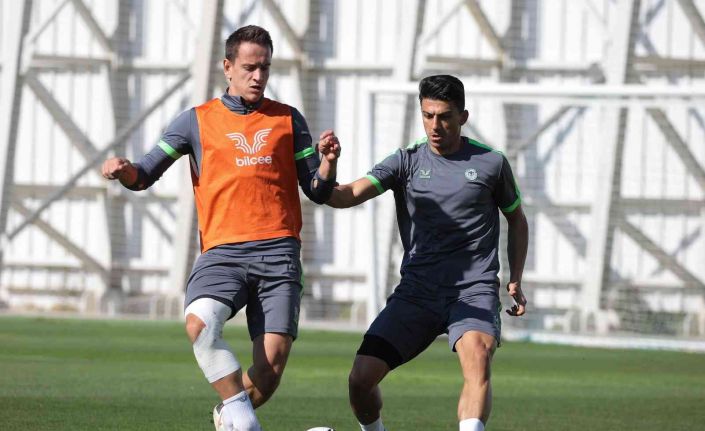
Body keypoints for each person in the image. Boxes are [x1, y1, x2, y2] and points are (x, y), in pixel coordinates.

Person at [102, 25, 341, 431]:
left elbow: (317, 190)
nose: (258, 76)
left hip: (279, 253)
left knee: (270, 370)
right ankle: (243, 424)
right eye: (249, 68)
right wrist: (124, 170)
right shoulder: (194, 121)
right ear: (227, 67)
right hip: (223, 254)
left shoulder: (289, 119)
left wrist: (329, 163)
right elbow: (144, 175)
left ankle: (228, 417)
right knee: (199, 324)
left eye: (265, 68)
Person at [324, 74, 529, 431]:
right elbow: (346, 196)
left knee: (478, 360)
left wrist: (515, 278)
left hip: (473, 290)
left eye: (445, 116)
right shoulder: (405, 161)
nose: (435, 125)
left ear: (463, 117)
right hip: (418, 291)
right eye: (428, 115)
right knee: (360, 380)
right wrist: (326, 170)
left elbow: (517, 219)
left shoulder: (491, 163)